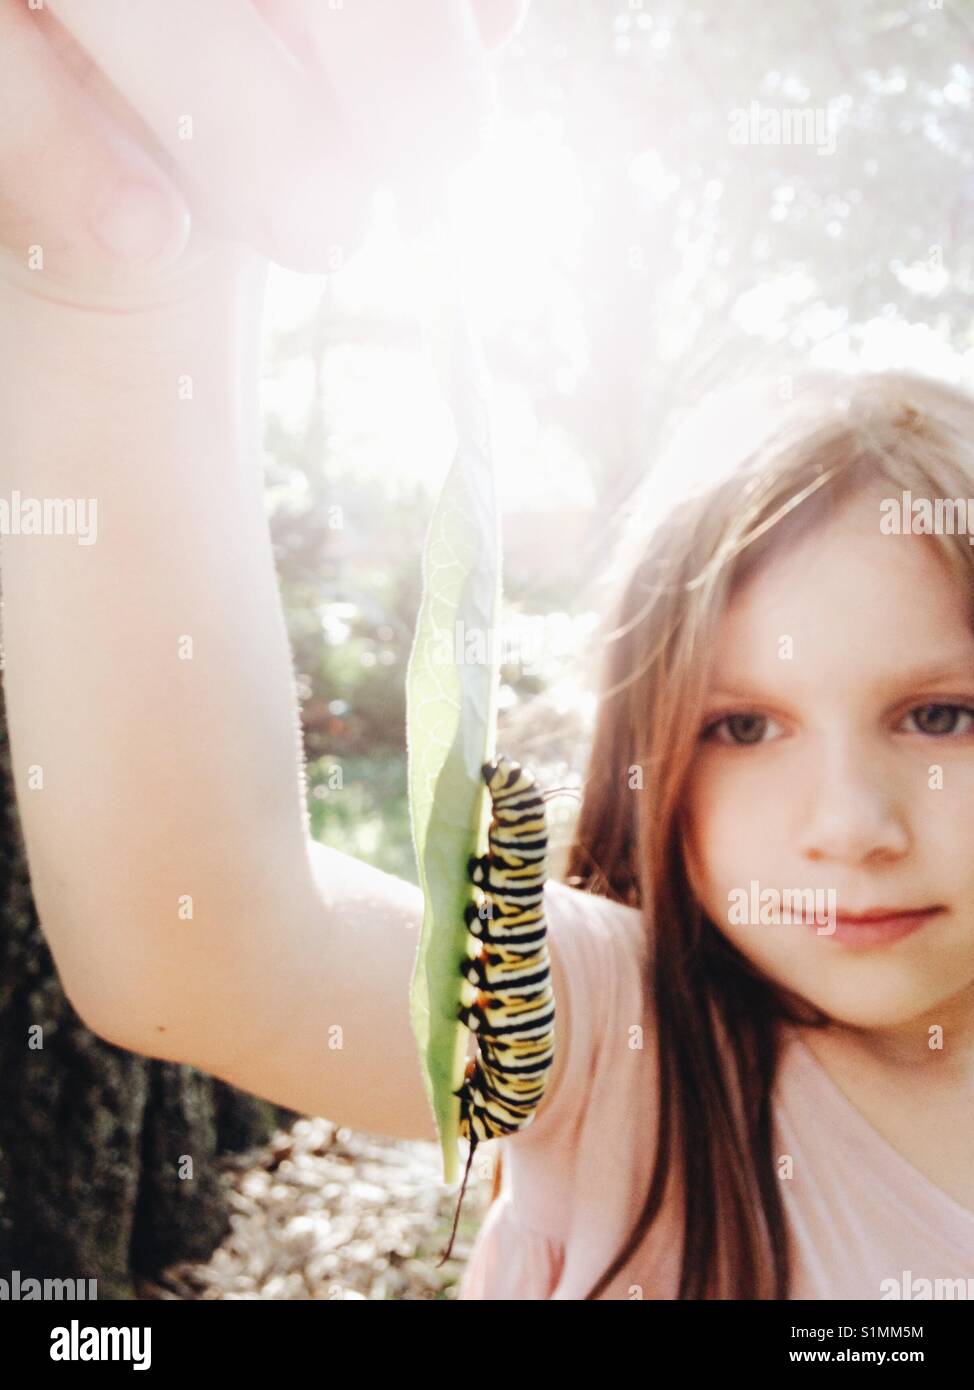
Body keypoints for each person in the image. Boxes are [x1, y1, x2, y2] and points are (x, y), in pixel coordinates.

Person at [1, 3, 972, 1303]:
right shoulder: (623, 1036)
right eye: (740, 725)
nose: (848, 827)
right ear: (649, 752)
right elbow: (211, 949)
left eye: (939, 716)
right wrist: (116, 265)